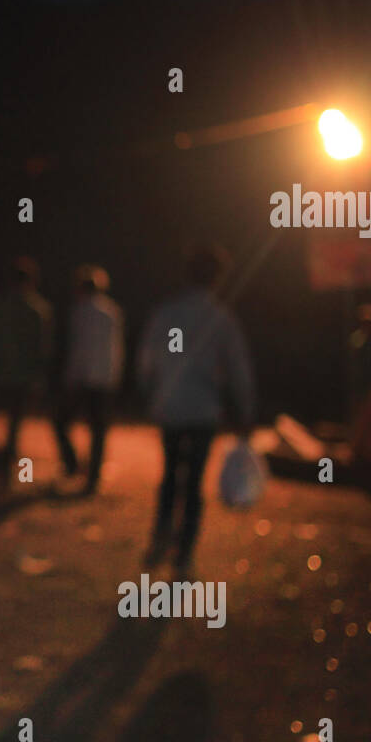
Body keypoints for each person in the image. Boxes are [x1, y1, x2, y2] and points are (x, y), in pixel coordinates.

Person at [137, 242, 255, 576]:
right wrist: (245, 411)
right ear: (217, 278)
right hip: (203, 410)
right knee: (194, 483)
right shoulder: (221, 318)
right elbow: (239, 368)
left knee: (170, 474)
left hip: (171, 407)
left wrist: (149, 390)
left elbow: (146, 357)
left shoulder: (167, 312)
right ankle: (184, 552)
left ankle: (160, 536)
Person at [0, 256, 53, 483]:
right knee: (13, 428)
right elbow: (43, 350)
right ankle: (4, 473)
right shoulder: (39, 311)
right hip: (22, 378)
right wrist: (39, 378)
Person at [51, 264, 123, 495]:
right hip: (103, 378)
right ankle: (92, 477)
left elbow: (77, 349)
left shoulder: (79, 312)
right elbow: (116, 349)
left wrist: (69, 376)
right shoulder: (111, 312)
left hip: (81, 378)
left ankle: (73, 464)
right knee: (98, 429)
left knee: (62, 421)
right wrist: (115, 375)